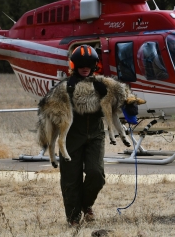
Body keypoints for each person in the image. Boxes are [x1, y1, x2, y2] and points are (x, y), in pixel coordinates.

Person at [62, 44, 108, 227]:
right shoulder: (65, 87)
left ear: (95, 65)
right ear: (74, 65)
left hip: (96, 134)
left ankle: (86, 204)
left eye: (88, 63)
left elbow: (118, 99)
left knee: (96, 174)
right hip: (71, 137)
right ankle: (73, 218)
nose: (84, 66)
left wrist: (128, 105)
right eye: (81, 63)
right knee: (71, 179)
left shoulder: (102, 85)